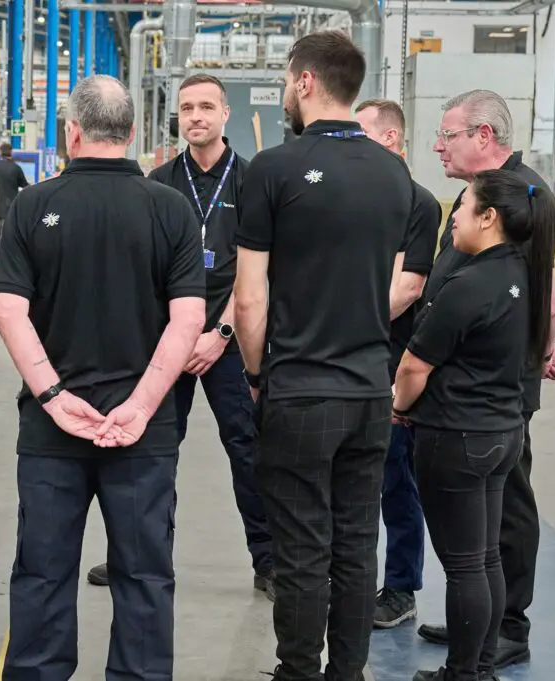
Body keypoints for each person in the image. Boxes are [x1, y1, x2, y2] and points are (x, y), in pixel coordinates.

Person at [0, 74, 205, 680]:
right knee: (144, 578)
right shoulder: (171, 208)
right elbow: (189, 316)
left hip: (52, 433)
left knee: (42, 572)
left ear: (72, 133)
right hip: (144, 434)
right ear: (134, 133)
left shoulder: (35, 205)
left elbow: (7, 309)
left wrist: (56, 397)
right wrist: (138, 406)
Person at [233, 31, 413, 681]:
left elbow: (249, 300)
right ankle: (350, 672)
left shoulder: (273, 170)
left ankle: (298, 671)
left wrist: (256, 375)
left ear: (305, 81)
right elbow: (391, 285)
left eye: (287, 78)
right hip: (371, 390)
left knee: (304, 547)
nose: (285, 91)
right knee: (357, 544)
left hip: (302, 387)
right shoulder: (396, 174)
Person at [84, 72, 274, 596]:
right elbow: (143, 268)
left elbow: (259, 268)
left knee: (248, 448)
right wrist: (177, 335)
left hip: (231, 341)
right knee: (150, 451)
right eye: (187, 108)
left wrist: (221, 331)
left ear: (225, 113)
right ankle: (136, 555)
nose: (196, 116)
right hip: (168, 340)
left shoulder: (254, 181)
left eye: (206, 107)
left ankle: (269, 562)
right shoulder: (158, 181)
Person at [415, 89, 555, 670]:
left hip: (493, 389)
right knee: (480, 528)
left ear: (483, 135)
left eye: (448, 134)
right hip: (472, 379)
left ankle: (508, 626)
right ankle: (476, 626)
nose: (438, 145)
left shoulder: (523, 196)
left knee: (505, 506)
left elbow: (539, 291)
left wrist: (536, 349)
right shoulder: (476, 194)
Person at [392, 169, 555, 681]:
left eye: (463, 207)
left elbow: (415, 366)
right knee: (484, 558)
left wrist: (398, 406)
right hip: (501, 431)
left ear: (489, 218)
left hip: (457, 437)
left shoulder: (470, 284)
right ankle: (480, 665)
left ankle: (463, 673)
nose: (456, 216)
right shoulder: (524, 276)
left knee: (466, 565)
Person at [355, 97, 442, 628]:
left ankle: (402, 587)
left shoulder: (419, 202)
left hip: (391, 358)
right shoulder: (359, 197)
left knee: (395, 479)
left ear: (389, 139)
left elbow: (407, 288)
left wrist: (342, 321)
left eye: (360, 133)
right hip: (351, 356)